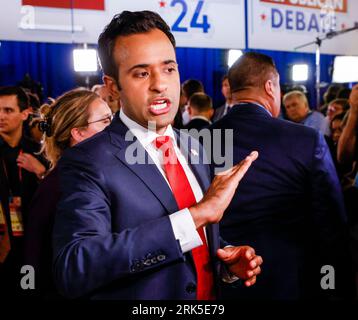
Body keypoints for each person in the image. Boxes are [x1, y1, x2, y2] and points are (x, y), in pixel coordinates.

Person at [52, 11, 263, 300]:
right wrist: (197, 215)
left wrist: (225, 261)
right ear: (113, 86)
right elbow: (76, 267)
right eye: (141, 73)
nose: (160, 84)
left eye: (168, 69)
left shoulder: (195, 147)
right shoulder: (88, 161)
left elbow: (193, 238)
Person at [210, 52, 349, 299]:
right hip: (288, 281)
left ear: (231, 90)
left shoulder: (198, 141)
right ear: (270, 87)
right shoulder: (305, 139)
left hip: (220, 283)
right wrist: (333, 286)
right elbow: (331, 223)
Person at [24, 89, 112, 298]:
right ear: (78, 132)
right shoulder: (58, 186)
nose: (115, 128)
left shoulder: (91, 176)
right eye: (106, 121)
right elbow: (33, 259)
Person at [0, 86, 47, 296]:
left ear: (25, 113)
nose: (0, 116)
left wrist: (41, 172)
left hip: (33, 243)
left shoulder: (39, 152)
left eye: (8, 111)